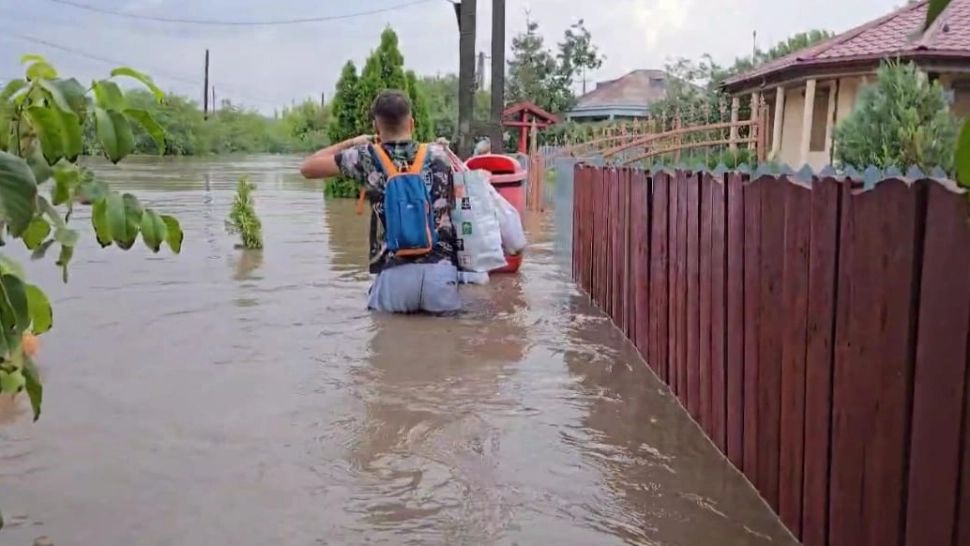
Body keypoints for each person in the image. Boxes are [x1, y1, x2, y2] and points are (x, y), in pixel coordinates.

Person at [300, 90, 460, 314]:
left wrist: (353, 142)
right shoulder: (440, 155)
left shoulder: (364, 157)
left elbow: (307, 167)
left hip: (393, 277)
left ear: (376, 127)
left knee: (385, 341)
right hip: (440, 275)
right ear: (411, 123)